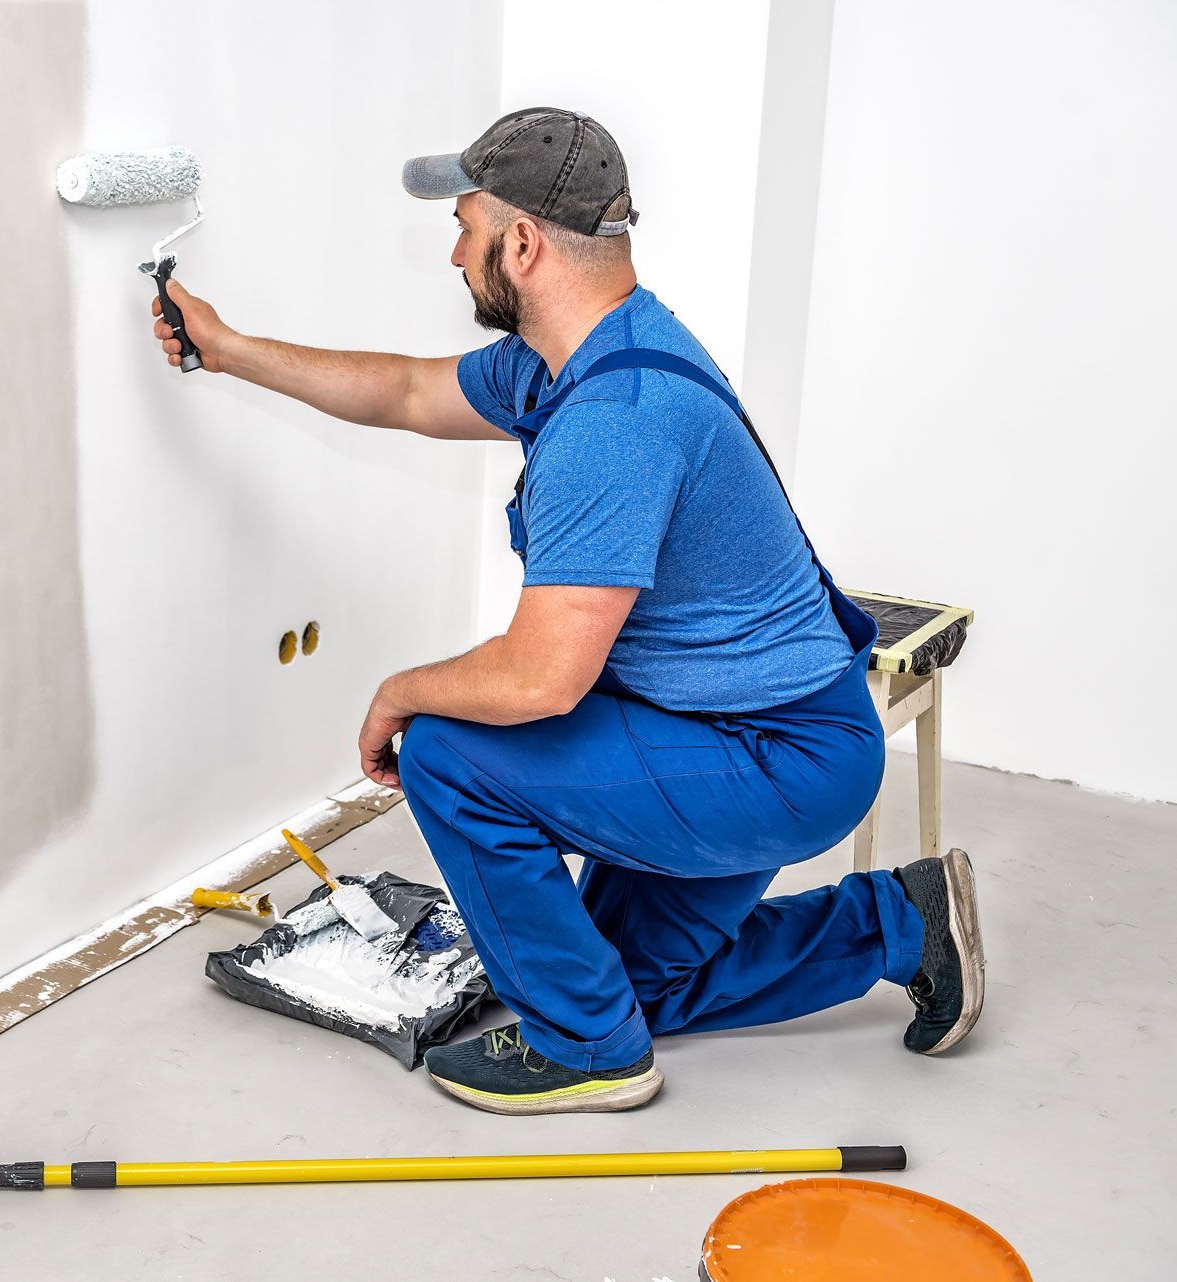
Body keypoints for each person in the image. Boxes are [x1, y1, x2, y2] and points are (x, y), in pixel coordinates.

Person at [149, 108, 986, 1115]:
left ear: (523, 243)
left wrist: (395, 693)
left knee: (448, 750)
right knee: (625, 983)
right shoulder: (582, 356)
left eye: (463, 227)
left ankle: (589, 1055)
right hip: (729, 725)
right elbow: (410, 392)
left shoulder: (611, 423)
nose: (455, 254)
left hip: (774, 757)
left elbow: (542, 681)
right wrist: (229, 348)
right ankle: (900, 922)